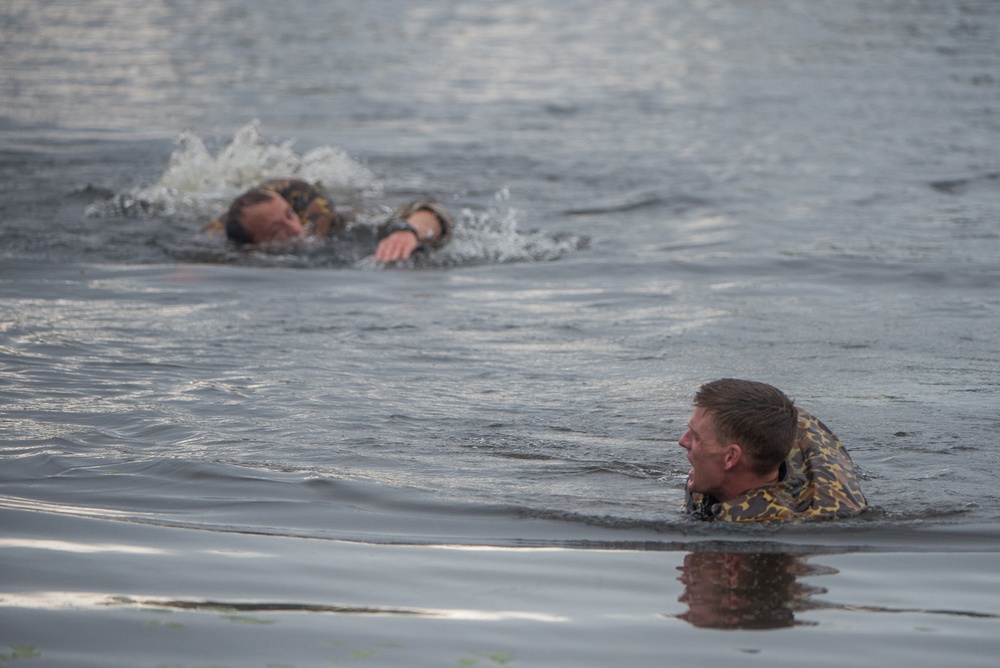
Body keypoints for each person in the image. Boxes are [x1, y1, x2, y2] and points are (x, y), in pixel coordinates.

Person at [679, 378, 868, 522]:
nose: (682, 441)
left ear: (730, 457)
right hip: (792, 425)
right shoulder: (772, 427)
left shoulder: (771, 519)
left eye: (696, 437)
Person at [204, 177, 453, 262]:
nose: (294, 228)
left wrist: (406, 230)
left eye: (290, 215)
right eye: (276, 230)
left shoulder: (338, 226)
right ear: (254, 245)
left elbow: (431, 211)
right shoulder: (243, 253)